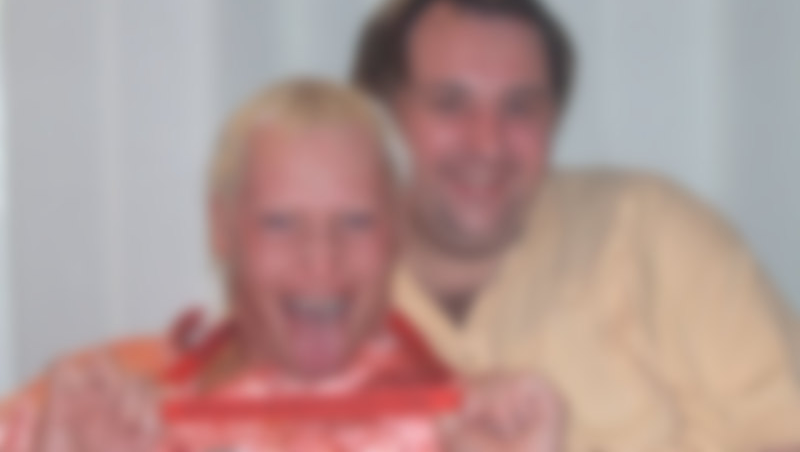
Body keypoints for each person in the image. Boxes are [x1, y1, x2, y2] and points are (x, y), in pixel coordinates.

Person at [352, 0, 800, 452]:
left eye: (519, 107)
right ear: (380, 117)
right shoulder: (313, 291)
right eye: (451, 103)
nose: (487, 142)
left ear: (555, 118)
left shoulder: (652, 234)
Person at [0, 80, 562, 452]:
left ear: (396, 230)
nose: (321, 258)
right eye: (280, 223)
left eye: (356, 222)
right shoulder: (95, 403)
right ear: (221, 227)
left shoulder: (478, 426)